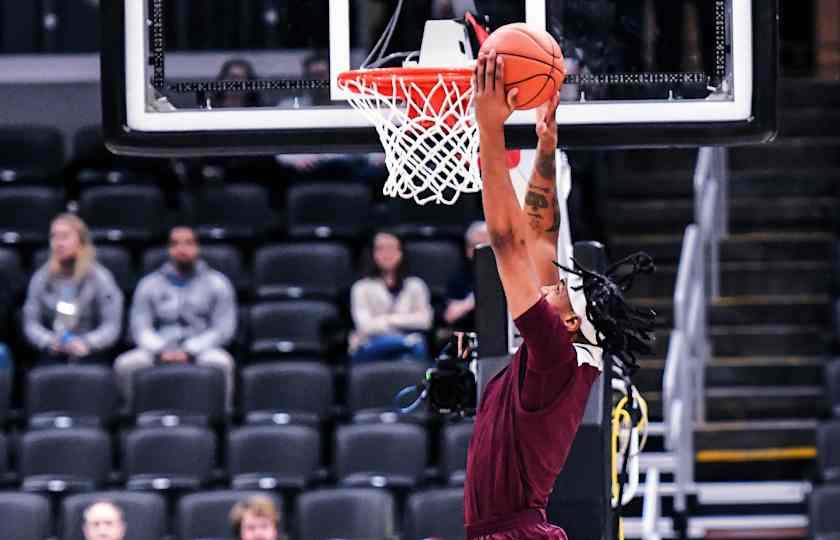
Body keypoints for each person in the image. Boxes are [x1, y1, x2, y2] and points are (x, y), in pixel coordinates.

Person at [464, 50, 655, 539]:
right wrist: (545, 147)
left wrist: (489, 129)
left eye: (563, 291)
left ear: (569, 323)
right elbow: (540, 239)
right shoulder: (570, 353)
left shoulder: (555, 357)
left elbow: (507, 242)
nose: (552, 283)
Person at [114, 226, 236, 409]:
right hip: (159, 347)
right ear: (168, 249)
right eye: (175, 244)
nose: (182, 249)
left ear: (198, 247)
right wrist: (161, 349)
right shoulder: (149, 284)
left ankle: (223, 415)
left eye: (188, 243)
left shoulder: (218, 283)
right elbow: (140, 328)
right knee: (125, 364)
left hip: (202, 348)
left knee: (222, 363)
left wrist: (189, 349)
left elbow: (223, 330)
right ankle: (131, 414)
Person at [23, 214, 123, 365]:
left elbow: (112, 326)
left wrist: (87, 342)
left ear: (81, 242)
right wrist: (48, 340)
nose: (58, 243)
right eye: (54, 237)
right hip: (51, 352)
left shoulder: (101, 278)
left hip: (92, 353)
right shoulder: (41, 278)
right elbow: (30, 323)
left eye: (64, 237)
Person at [350, 230, 433, 364]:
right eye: (380, 249)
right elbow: (365, 326)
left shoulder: (416, 285)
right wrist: (405, 324)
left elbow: (425, 320)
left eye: (391, 248)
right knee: (414, 345)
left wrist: (388, 319)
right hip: (370, 345)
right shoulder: (361, 287)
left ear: (401, 252)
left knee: (415, 350)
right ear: (372, 253)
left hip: (409, 345)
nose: (386, 254)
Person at [443, 221, 490, 332]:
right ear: (468, 249)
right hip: (470, 330)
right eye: (476, 247)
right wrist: (472, 301)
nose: (483, 253)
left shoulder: (509, 274)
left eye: (487, 247)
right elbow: (449, 316)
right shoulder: (459, 277)